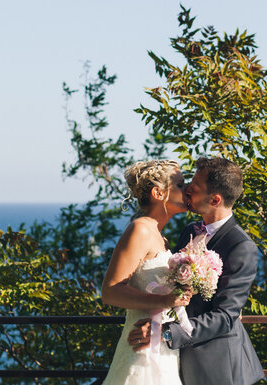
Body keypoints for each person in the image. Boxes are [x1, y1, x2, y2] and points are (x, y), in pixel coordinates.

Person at [127, 156, 265, 385]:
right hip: (177, 360)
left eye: (194, 187)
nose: (187, 190)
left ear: (215, 199)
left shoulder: (241, 246)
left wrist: (164, 332)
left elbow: (225, 317)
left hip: (217, 365)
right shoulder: (191, 229)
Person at [101, 159, 194, 385]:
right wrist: (164, 300)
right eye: (180, 185)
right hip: (141, 348)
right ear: (158, 193)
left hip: (162, 345)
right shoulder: (140, 229)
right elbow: (110, 291)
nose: (188, 189)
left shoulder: (159, 235)